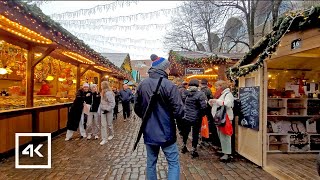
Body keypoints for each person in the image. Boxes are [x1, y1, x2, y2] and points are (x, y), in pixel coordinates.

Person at [134, 54, 184, 180]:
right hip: (167, 131)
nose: (169, 70)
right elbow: (179, 111)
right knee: (173, 163)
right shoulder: (170, 85)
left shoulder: (142, 85)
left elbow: (137, 108)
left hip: (149, 131)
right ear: (163, 68)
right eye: (168, 68)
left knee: (151, 163)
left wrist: (147, 117)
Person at [181, 79, 207, 158]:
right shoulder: (200, 94)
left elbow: (182, 103)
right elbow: (204, 107)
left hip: (186, 116)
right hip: (196, 117)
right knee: (195, 134)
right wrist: (202, 115)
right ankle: (193, 149)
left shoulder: (185, 93)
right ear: (197, 85)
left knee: (185, 132)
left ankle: (184, 146)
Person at [209, 80, 234, 162]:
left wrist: (216, 101)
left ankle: (227, 154)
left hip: (225, 118)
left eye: (217, 86)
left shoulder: (228, 94)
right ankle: (224, 151)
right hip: (220, 118)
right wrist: (212, 102)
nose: (216, 88)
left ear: (221, 86)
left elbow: (228, 104)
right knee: (221, 136)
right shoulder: (221, 94)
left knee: (225, 136)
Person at [200, 78, 220, 148]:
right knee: (210, 124)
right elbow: (210, 98)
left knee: (206, 124)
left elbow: (204, 101)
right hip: (209, 110)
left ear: (201, 84)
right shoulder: (208, 90)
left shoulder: (202, 91)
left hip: (205, 110)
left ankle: (206, 139)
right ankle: (212, 139)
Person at [99, 81, 116, 145]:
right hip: (103, 110)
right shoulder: (102, 92)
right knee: (103, 125)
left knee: (109, 124)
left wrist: (108, 109)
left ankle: (111, 134)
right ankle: (104, 139)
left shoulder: (109, 93)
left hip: (108, 111)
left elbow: (112, 103)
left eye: (101, 85)